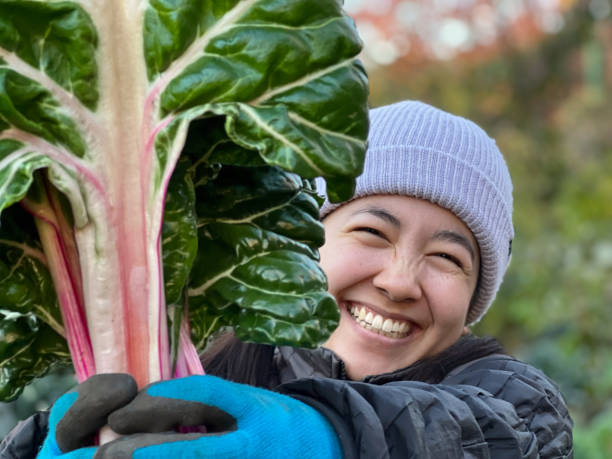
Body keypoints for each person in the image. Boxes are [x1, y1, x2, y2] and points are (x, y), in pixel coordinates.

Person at [1, 100, 573, 458]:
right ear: (304, 246)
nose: (400, 282)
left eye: (449, 259)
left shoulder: (512, 400)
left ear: (475, 297)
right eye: (372, 232)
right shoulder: (197, 371)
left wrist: (320, 436)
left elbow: (497, 438)